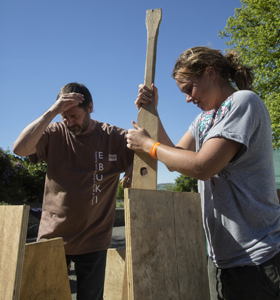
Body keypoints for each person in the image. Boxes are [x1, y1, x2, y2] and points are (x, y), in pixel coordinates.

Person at [126, 46, 280, 300]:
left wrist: (148, 146)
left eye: (189, 89)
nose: (187, 98)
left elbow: (202, 167)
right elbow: (174, 159)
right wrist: (153, 110)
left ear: (210, 73)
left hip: (257, 258)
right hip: (222, 258)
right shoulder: (204, 120)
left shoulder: (243, 102)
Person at [13, 82, 134, 300]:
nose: (69, 122)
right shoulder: (53, 133)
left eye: (75, 116)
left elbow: (147, 153)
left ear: (90, 107)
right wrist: (52, 111)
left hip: (94, 241)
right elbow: (20, 148)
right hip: (52, 238)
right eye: (64, 117)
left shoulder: (112, 137)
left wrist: (134, 167)